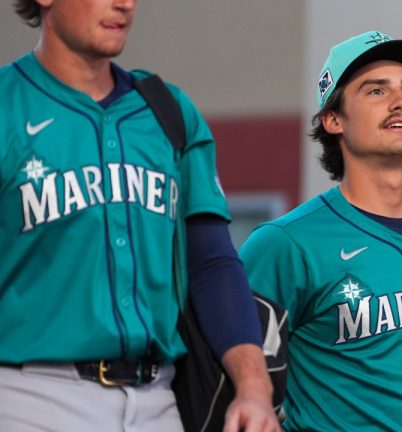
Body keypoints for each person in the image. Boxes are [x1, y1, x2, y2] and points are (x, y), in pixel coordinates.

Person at [0, 1, 280, 431]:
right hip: (30, 396)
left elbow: (211, 264)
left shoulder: (165, 110)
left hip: (157, 400)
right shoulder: (8, 107)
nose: (125, 3)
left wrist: (254, 388)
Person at [240, 30, 402, 431]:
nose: (401, 102)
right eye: (376, 91)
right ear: (333, 119)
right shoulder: (284, 244)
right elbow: (235, 380)